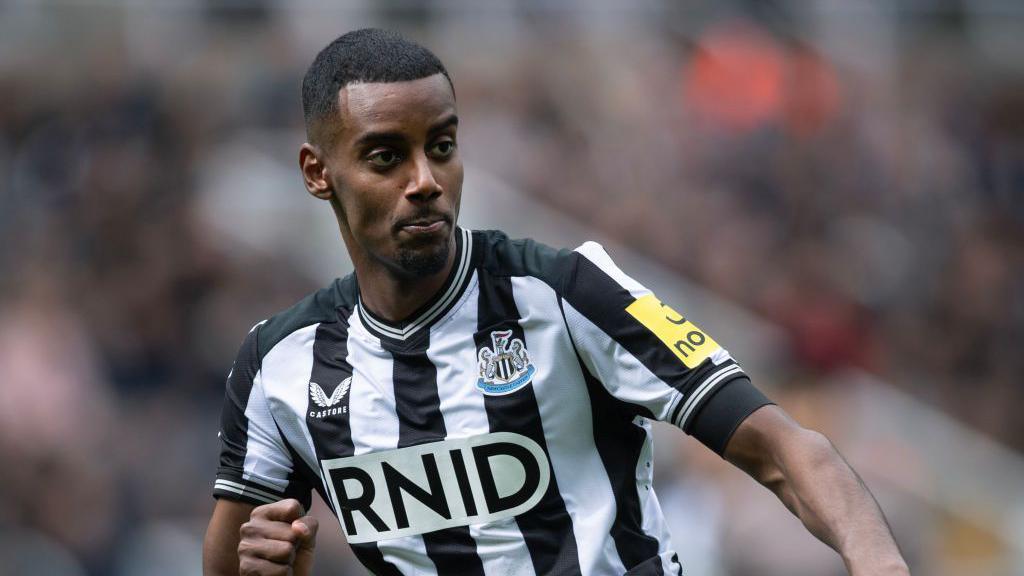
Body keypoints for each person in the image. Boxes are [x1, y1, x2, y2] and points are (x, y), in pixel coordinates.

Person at [202, 28, 909, 576]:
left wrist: (877, 560)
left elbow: (786, 448)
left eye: (442, 146)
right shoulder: (279, 364)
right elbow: (236, 559)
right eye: (387, 156)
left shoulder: (566, 292)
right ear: (317, 173)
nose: (425, 180)